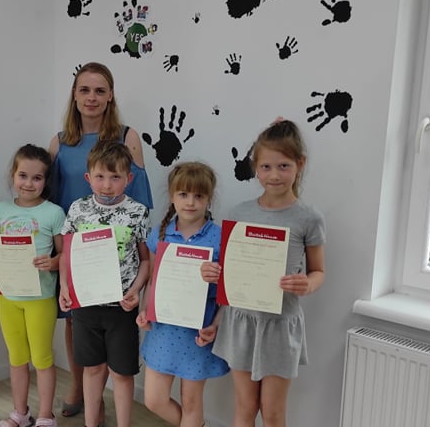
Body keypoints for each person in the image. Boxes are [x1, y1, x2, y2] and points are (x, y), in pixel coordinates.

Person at [200, 119, 326, 427]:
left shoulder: (308, 218)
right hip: (241, 322)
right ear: (255, 167)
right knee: (245, 407)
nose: (274, 175)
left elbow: (319, 271)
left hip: (279, 325)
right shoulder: (239, 213)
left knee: (272, 412)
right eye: (266, 167)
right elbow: (230, 272)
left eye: (284, 166)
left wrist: (307, 284)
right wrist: (213, 272)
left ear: (300, 164)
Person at [47, 61, 153, 418]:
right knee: (75, 319)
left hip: (119, 249)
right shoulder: (60, 142)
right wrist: (57, 250)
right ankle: (80, 388)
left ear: (110, 97)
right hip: (75, 246)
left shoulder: (127, 137)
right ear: (74, 96)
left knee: (116, 332)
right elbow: (50, 198)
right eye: (84, 90)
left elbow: (140, 196)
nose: (91, 97)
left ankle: (105, 396)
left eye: (99, 90)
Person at [58, 140, 150, 427]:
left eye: (115, 177)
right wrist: (64, 287)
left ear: (128, 178)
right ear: (88, 177)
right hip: (86, 305)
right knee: (93, 369)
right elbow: (67, 254)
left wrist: (135, 291)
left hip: (122, 308)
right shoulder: (78, 209)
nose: (107, 184)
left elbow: (146, 260)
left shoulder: (137, 212)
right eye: (100, 176)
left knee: (122, 373)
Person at [136, 162, 230, 426]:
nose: (190, 202)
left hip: (198, 331)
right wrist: (145, 310)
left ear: (209, 199)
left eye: (199, 196)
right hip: (163, 330)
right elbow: (152, 280)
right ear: (172, 196)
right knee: (154, 399)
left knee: (191, 402)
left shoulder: (220, 238)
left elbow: (228, 294)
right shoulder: (161, 234)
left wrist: (215, 324)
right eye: (183, 194)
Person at [0, 144, 66, 427]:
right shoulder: (1, 210)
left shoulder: (54, 213)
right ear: (13, 176)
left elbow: (65, 255)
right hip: (8, 297)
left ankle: (46, 415)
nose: (29, 183)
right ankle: (20, 413)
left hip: (40, 298)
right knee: (16, 358)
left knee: (42, 358)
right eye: (23, 176)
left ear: (46, 180)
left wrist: (53, 263)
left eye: (37, 178)